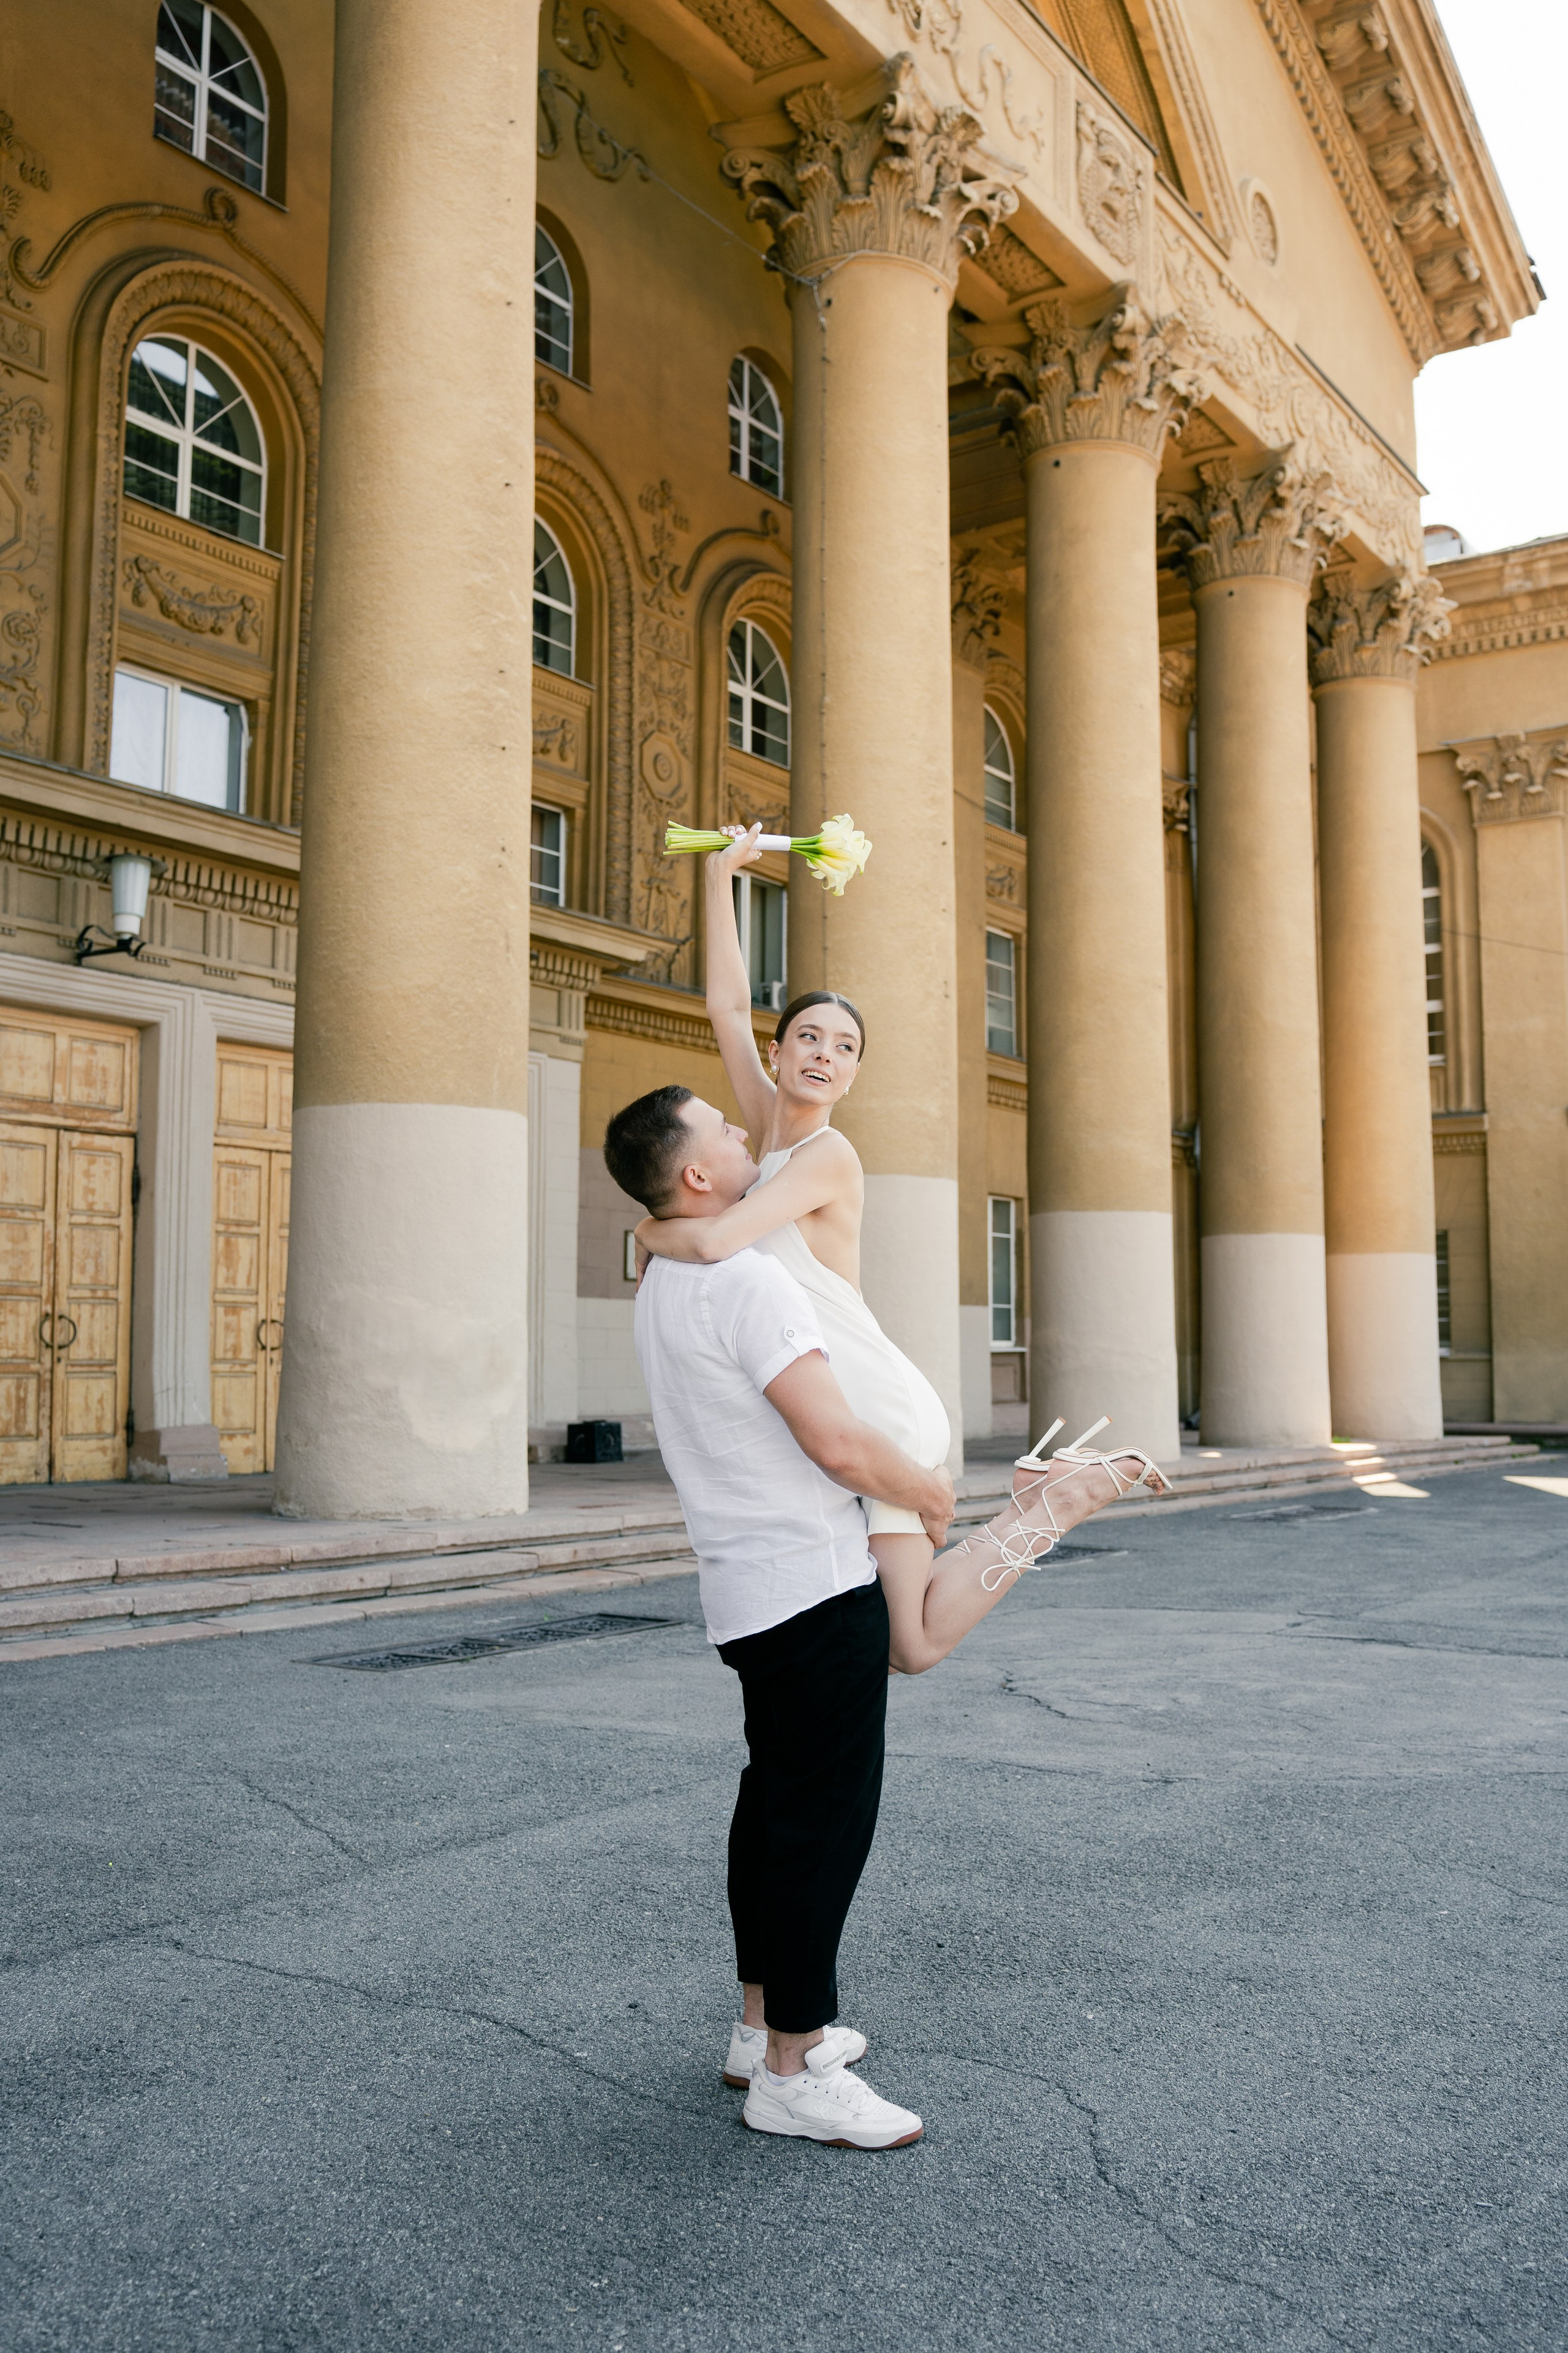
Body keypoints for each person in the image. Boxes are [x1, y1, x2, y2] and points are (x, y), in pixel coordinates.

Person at [605, 1082, 1161, 2151]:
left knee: (773, 1808)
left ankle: (758, 2023)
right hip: (813, 1589)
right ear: (695, 1176)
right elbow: (839, 1444)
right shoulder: (750, 1280)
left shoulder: (666, 1281)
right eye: (722, 1128)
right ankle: (794, 2066)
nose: (741, 1131)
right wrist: (937, 1493)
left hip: (744, 1594)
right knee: (820, 1829)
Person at [633, 824, 1170, 1674]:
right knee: (906, 1641)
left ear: (851, 1076)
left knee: (913, 1644)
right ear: (779, 1053)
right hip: (846, 1401)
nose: (824, 1053)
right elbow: (726, 1007)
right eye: (809, 1036)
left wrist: (645, 1228)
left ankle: (1059, 1499)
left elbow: (720, 1237)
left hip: (876, 1406)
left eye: (845, 1049)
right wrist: (722, 873)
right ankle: (1041, 1496)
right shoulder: (768, 1126)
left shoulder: (826, 1158)